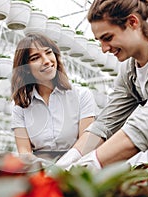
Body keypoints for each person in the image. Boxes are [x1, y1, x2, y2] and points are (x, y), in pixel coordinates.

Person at [57, 0, 148, 169]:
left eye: (108, 38)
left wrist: (90, 164)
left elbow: (147, 126)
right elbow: (106, 124)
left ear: (133, 22)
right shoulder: (130, 73)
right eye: (99, 40)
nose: (104, 48)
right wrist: (68, 160)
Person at [10, 33, 96, 162]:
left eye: (48, 52)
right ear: (26, 68)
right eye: (35, 58)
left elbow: (86, 143)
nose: (46, 61)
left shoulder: (81, 95)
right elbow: (24, 152)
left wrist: (62, 167)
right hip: (40, 170)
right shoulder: (20, 106)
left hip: (76, 167)